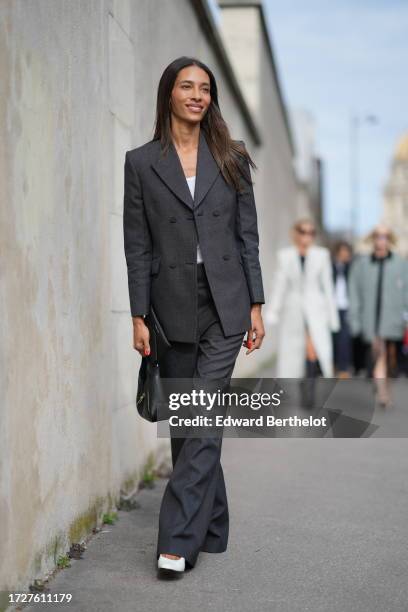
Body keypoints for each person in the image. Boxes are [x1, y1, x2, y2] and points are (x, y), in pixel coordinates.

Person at [123, 56, 265, 576]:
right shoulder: (140, 163)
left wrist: (256, 303)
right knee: (189, 423)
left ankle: (177, 542)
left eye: (205, 88)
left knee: (201, 416)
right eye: (187, 86)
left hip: (225, 301)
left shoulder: (232, 155)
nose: (198, 95)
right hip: (169, 305)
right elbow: (136, 246)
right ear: (170, 95)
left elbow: (248, 236)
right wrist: (138, 314)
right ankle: (214, 524)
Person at [265, 218, 339, 406]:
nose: (307, 236)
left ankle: (309, 391)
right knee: (295, 353)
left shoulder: (321, 255)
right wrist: (273, 310)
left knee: (313, 351)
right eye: (303, 231)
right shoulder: (285, 256)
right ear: (296, 233)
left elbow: (328, 288)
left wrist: (333, 317)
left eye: (311, 232)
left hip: (316, 309)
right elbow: (279, 285)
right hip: (293, 309)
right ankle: (302, 385)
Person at [348, 224, 408, 408]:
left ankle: (384, 386)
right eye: (378, 236)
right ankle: (382, 393)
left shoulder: (400, 264)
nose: (381, 241)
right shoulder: (361, 264)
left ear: (389, 240)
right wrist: (355, 319)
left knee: (390, 357)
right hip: (370, 319)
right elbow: (354, 292)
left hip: (393, 319)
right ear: (373, 239)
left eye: (385, 237)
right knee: (379, 352)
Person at [331, 241, 353, 377]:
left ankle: (344, 368)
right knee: (332, 338)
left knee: (345, 339)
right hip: (332, 308)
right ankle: (332, 365)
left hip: (346, 307)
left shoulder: (351, 268)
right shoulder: (330, 267)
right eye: (342, 252)